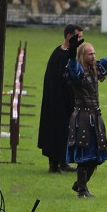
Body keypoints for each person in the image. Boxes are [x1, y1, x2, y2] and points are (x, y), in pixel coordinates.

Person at [65, 35, 107, 198]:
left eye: (94, 53)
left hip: (95, 116)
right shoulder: (78, 70)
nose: (94, 56)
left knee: (97, 155)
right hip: (82, 117)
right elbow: (73, 65)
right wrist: (73, 50)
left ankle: (79, 184)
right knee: (85, 156)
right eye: (90, 54)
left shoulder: (97, 68)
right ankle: (82, 190)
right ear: (83, 55)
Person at [37, 24, 84, 173]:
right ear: (70, 36)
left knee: (67, 131)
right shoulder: (59, 55)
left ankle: (63, 162)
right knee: (56, 130)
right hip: (57, 100)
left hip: (67, 99)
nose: (81, 40)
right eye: (78, 37)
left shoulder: (68, 54)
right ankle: (54, 164)